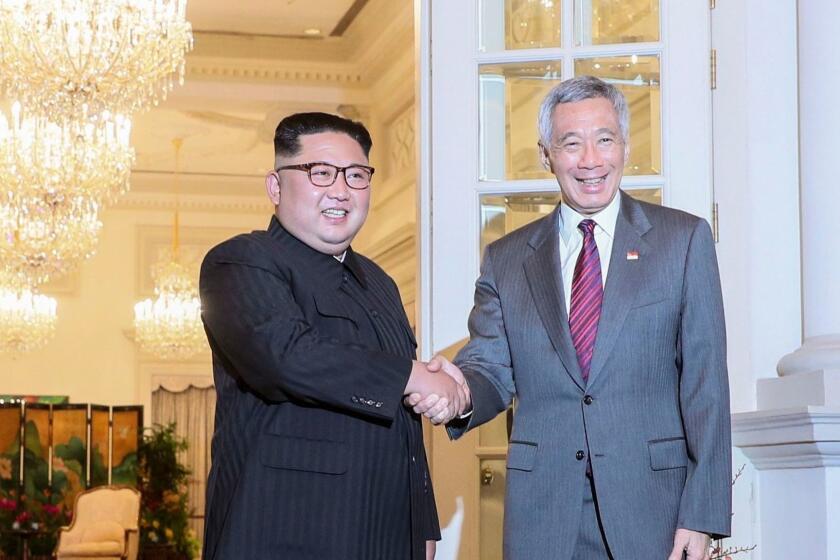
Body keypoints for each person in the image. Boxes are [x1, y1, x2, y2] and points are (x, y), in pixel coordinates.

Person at [409, 76, 732, 560]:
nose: (590, 160)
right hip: (544, 514)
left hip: (655, 512)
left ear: (624, 145)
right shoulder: (507, 258)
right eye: (570, 143)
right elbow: (492, 369)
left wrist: (702, 515)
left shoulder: (683, 242)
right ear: (547, 155)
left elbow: (706, 385)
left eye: (604, 139)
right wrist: (457, 394)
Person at [199, 112, 464, 559]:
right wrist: (413, 377)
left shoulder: (379, 282)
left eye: (357, 175)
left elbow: (405, 426)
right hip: (284, 534)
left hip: (385, 535)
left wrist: (423, 523)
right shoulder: (241, 262)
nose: (341, 190)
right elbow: (286, 356)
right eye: (320, 173)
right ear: (276, 186)